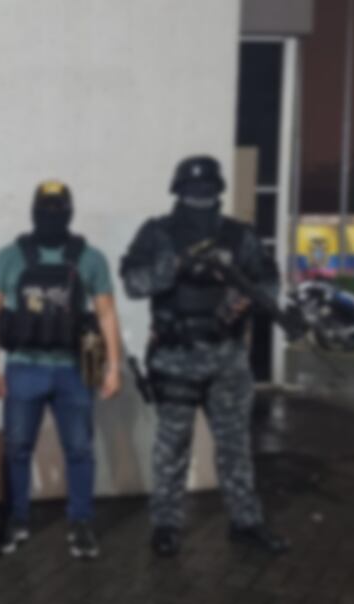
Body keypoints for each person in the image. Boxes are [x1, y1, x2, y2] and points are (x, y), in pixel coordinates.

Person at [120, 155, 289, 558]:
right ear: (179, 191)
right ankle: (166, 525)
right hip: (175, 357)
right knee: (171, 447)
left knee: (235, 446)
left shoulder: (238, 235)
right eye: (194, 189)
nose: (201, 196)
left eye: (208, 189)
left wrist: (243, 298)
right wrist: (177, 266)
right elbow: (133, 282)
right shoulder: (158, 232)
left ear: (219, 191)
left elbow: (268, 279)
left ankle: (246, 522)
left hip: (226, 357)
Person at [0, 180, 123, 559]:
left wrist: (114, 367)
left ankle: (81, 522)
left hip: (74, 368)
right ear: (33, 211)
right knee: (17, 449)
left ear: (70, 212)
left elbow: (107, 314)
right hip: (23, 367)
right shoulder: (8, 257)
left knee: (79, 449)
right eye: (45, 209)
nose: (52, 216)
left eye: (58, 209)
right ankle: (17, 519)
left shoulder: (90, 258)